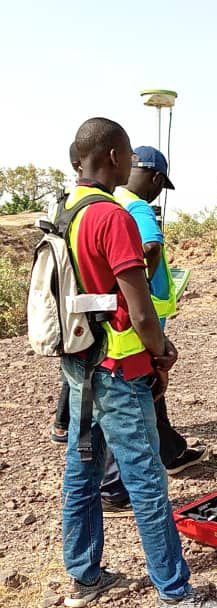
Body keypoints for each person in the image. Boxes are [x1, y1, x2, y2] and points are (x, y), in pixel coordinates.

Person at [60, 116, 217, 608]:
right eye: (127, 154)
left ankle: (84, 578)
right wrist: (162, 351)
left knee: (82, 468)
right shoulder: (113, 217)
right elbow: (138, 309)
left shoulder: (67, 210)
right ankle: (174, 595)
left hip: (81, 363)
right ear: (114, 156)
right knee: (146, 480)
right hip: (119, 366)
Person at [99, 146, 206, 513]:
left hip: (109, 327)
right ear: (157, 179)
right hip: (138, 326)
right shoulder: (138, 207)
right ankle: (116, 487)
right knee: (134, 400)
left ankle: (172, 452)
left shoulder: (106, 203)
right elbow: (149, 248)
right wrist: (135, 288)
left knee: (136, 398)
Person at [50, 142, 82, 444]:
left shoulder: (63, 204)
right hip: (82, 302)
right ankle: (63, 424)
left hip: (64, 300)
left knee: (71, 370)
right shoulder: (92, 206)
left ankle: (63, 425)